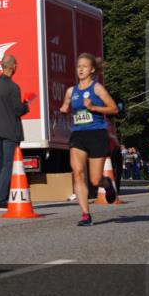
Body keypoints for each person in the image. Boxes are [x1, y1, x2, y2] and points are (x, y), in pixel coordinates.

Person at [59, 53, 119, 226]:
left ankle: (107, 184)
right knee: (77, 173)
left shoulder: (97, 88)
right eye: (79, 66)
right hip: (78, 134)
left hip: (97, 134)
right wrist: (64, 108)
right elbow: (65, 106)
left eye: (84, 66)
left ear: (92, 70)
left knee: (95, 180)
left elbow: (114, 108)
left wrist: (93, 107)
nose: (80, 69)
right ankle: (86, 214)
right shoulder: (71, 91)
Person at [0, 54, 32, 211]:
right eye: (16, 64)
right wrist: (26, 105)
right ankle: (0, 199)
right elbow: (18, 110)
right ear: (12, 66)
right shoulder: (13, 87)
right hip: (10, 131)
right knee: (8, 165)